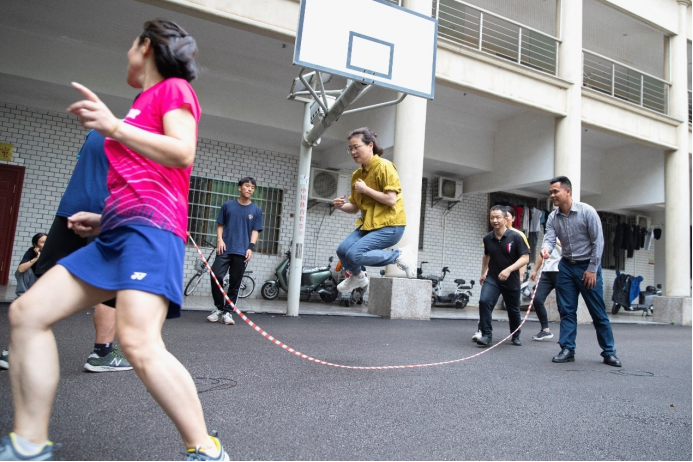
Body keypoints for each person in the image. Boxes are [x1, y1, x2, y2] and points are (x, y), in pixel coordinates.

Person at [1, 20, 229, 461]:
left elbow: (183, 153)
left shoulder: (173, 90)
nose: (127, 53)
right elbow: (145, 181)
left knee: (139, 341)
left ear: (146, 47)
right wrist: (104, 219)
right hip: (115, 237)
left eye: (131, 44)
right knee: (27, 313)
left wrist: (113, 127)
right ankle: (29, 445)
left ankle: (206, 450)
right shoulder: (140, 105)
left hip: (151, 235)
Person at [31, 130, 133, 373]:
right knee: (109, 286)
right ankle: (102, 353)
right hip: (105, 215)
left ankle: (19, 348)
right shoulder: (140, 138)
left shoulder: (95, 132)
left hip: (71, 208)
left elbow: (83, 167)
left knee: (50, 277)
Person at [541, 176, 621, 368]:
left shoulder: (587, 212)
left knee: (597, 312)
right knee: (567, 310)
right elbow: (550, 238)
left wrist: (592, 269)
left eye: (555, 191)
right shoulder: (553, 216)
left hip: (588, 267)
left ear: (567, 191)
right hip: (566, 267)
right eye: (550, 192)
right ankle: (567, 349)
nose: (552, 195)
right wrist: (546, 249)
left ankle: (609, 352)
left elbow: (598, 242)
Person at [333, 127, 414, 293]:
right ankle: (358, 278)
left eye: (357, 147)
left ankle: (398, 255)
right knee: (342, 250)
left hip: (391, 226)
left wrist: (366, 190)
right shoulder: (357, 175)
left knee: (354, 254)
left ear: (370, 145)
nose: (353, 152)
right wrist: (341, 206)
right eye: (350, 148)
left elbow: (391, 200)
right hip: (369, 226)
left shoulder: (385, 167)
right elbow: (355, 207)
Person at [208, 177, 263, 326]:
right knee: (216, 276)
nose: (249, 189)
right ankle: (219, 308)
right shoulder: (228, 206)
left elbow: (255, 231)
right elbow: (220, 224)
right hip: (225, 248)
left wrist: (250, 248)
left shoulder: (256, 210)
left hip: (242, 251)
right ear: (240, 188)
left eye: (252, 187)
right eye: (246, 186)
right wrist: (220, 239)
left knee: (235, 283)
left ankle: (227, 312)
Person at [477, 205, 530, 347]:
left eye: (498, 217)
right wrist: (483, 273)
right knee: (484, 302)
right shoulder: (488, 238)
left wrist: (510, 270)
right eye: (492, 217)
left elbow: (525, 258)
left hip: (511, 279)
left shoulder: (516, 237)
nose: (495, 220)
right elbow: (486, 256)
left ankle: (515, 335)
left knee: (513, 309)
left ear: (505, 219)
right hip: (493, 278)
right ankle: (486, 335)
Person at [528, 239, 562, 341]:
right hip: (546, 272)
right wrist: (535, 270)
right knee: (537, 300)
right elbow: (542, 253)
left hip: (561, 271)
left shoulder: (565, 232)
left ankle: (565, 336)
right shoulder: (549, 235)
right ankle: (545, 330)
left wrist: (556, 241)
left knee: (562, 305)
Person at [14, 233, 46, 298]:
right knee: (25, 270)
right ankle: (21, 296)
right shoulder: (31, 251)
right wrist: (37, 257)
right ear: (35, 245)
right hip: (33, 281)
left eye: (47, 241)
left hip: (45, 284)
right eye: (42, 242)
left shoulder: (52, 253)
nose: (46, 244)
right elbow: (20, 269)